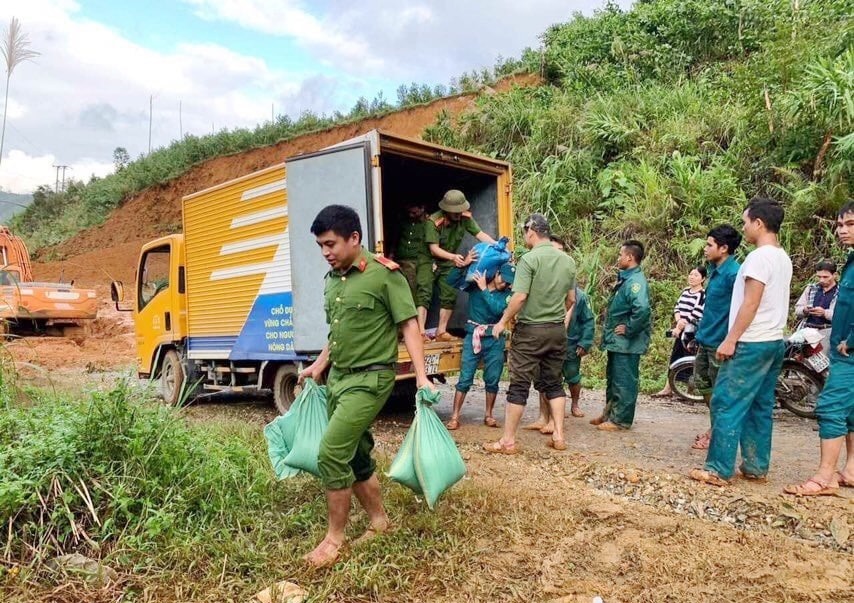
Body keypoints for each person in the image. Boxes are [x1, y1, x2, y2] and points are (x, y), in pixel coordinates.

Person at [297, 205, 433, 568]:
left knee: (330, 452)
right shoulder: (333, 280)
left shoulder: (384, 276)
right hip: (339, 378)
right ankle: (379, 522)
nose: (326, 253)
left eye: (331, 244)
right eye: (321, 246)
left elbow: (408, 326)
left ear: (354, 238)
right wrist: (320, 363)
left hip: (371, 379)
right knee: (355, 453)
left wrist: (421, 376)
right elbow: (339, 332)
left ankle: (333, 539)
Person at [690, 198, 792, 487]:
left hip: (750, 342)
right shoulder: (782, 257)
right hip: (773, 342)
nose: (744, 227)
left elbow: (751, 302)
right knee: (759, 405)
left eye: (746, 222)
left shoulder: (758, 258)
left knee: (726, 402)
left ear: (759, 223)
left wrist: (731, 339)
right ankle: (755, 465)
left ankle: (718, 469)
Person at [484, 214, 576, 453]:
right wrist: (554, 316)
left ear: (531, 232)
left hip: (531, 331)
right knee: (554, 383)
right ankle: (558, 435)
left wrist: (503, 321)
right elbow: (571, 299)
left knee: (519, 385)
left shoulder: (529, 260)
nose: (525, 236)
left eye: (525, 232)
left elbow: (520, 296)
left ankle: (507, 441)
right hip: (557, 331)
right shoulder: (568, 261)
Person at [784, 202, 854, 496]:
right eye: (840, 225)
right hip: (842, 350)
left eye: (850, 224)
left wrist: (851, 340)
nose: (842, 230)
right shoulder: (850, 261)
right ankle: (850, 470)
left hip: (849, 352)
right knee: (850, 413)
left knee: (829, 407)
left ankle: (824, 477)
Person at [525, 235, 594, 430]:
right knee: (543, 379)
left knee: (571, 376)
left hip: (570, 342)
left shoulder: (579, 295)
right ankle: (543, 417)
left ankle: (572, 405)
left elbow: (588, 320)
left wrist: (585, 342)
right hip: (545, 340)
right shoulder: (541, 287)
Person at [689, 225, 742, 450]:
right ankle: (716, 427)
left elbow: (742, 308)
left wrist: (731, 339)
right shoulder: (712, 269)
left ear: (724, 248)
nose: (705, 248)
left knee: (721, 393)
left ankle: (718, 435)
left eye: (710, 245)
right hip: (706, 338)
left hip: (721, 342)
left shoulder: (734, 274)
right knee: (702, 383)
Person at [591, 240, 652, 431]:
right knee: (614, 377)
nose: (618, 258)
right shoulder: (626, 278)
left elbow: (642, 309)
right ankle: (610, 413)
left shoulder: (635, 282)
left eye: (620, 254)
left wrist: (629, 328)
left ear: (630, 257)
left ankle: (621, 420)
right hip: (617, 342)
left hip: (627, 342)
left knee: (624, 380)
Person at [445, 263, 515, 430]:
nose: (504, 284)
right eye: (503, 279)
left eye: (508, 282)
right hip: (473, 335)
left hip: (494, 338)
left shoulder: (507, 296)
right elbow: (451, 281)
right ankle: (455, 416)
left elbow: (498, 309)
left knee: (493, 378)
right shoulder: (475, 286)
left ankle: (489, 414)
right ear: (496, 273)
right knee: (465, 377)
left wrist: (484, 289)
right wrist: (461, 264)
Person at [423, 189, 496, 341]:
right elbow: (433, 249)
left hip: (450, 261)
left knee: (450, 293)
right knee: (423, 294)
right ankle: (420, 333)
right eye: (454, 211)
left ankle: (441, 331)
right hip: (429, 260)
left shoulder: (465, 218)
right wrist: (453, 257)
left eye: (460, 210)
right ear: (446, 210)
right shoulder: (434, 222)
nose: (458, 214)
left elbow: (480, 234)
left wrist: (497, 245)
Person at [653, 266, 707, 397]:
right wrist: (679, 322)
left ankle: (689, 392)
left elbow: (696, 314)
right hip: (681, 330)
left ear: (703, 279)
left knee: (690, 360)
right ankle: (668, 388)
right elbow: (677, 308)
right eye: (690, 274)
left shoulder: (703, 295)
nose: (692, 277)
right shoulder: (685, 291)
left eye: (696, 275)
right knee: (675, 357)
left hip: (692, 333)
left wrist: (679, 326)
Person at [391, 201, 433, 335]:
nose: (411, 215)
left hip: (417, 262)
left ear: (422, 208)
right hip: (400, 261)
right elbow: (395, 240)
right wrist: (391, 256)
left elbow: (435, 243)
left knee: (415, 294)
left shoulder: (429, 223)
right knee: (400, 293)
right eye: (409, 212)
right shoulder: (403, 222)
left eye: (414, 212)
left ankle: (412, 330)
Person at [794, 260, 838, 330]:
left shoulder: (841, 292)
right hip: (807, 329)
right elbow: (797, 310)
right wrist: (805, 310)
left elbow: (843, 317)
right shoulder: (811, 289)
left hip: (829, 330)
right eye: (819, 277)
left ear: (834, 275)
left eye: (825, 277)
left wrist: (824, 313)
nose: (821, 280)